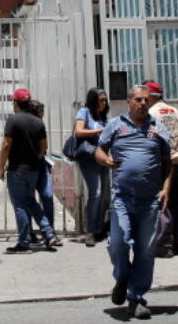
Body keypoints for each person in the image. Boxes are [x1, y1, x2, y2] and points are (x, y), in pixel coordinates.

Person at [97, 85, 173, 320]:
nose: (142, 103)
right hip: (122, 197)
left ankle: (136, 297)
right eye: (138, 100)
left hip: (149, 200)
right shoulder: (115, 125)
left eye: (146, 100)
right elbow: (99, 149)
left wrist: (166, 188)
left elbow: (167, 161)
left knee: (145, 250)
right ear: (129, 102)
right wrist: (106, 160)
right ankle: (122, 276)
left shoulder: (158, 127)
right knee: (118, 244)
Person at [0, 88, 57, 253]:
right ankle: (48, 232)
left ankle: (24, 242)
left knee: (20, 206)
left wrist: (1, 167)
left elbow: (6, 145)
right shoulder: (38, 122)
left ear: (16, 103)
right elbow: (44, 147)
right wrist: (34, 157)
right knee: (30, 202)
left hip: (17, 169)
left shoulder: (13, 120)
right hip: (34, 169)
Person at [145, 81, 178, 257]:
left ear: (150, 96)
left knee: (163, 201)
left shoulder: (151, 112)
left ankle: (165, 243)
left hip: (163, 162)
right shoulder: (174, 110)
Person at [74, 87, 110, 246]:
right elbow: (79, 131)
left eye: (105, 100)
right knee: (94, 192)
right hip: (89, 158)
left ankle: (99, 227)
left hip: (103, 157)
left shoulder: (103, 116)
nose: (104, 103)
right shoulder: (84, 112)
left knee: (103, 193)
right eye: (101, 100)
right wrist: (100, 130)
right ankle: (89, 230)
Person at [27, 99, 60, 247]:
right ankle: (29, 233)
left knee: (47, 195)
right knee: (27, 199)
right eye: (40, 112)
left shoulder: (40, 125)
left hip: (41, 164)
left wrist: (41, 157)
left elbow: (43, 147)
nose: (42, 115)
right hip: (29, 166)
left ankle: (50, 232)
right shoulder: (26, 125)